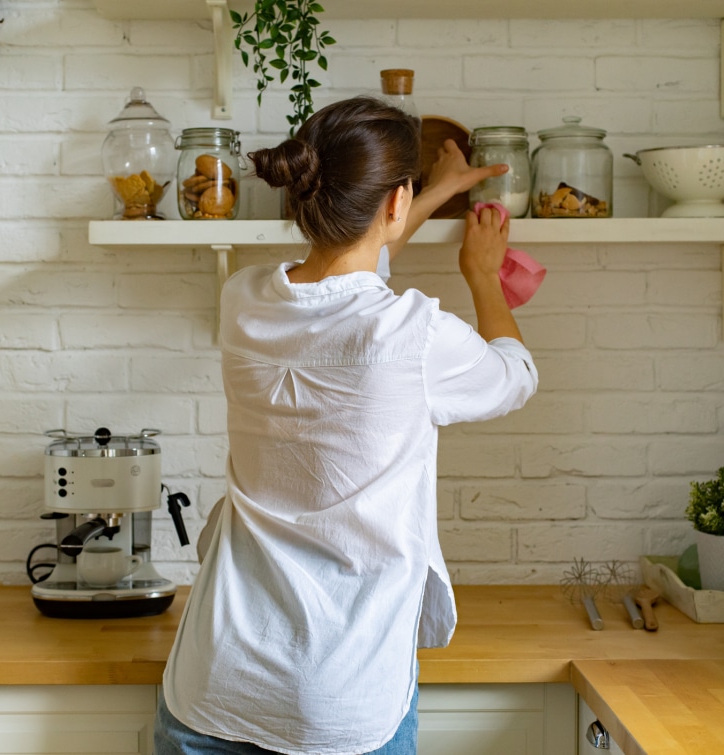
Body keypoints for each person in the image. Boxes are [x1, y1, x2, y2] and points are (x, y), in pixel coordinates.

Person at [156, 96, 538, 755]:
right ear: (394, 203)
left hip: (211, 686)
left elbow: (347, 271)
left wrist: (426, 190)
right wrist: (481, 275)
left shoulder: (243, 300)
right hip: (340, 705)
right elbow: (515, 373)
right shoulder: (414, 334)